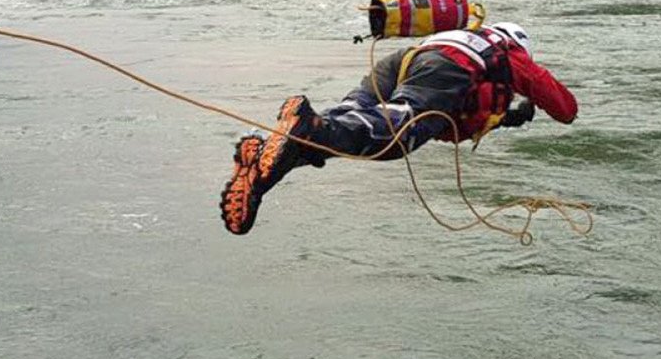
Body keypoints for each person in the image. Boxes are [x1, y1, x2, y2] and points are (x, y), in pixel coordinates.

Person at [219, 21, 578, 235]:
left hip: (404, 60)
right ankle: (309, 126)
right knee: (394, 138)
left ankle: (263, 173)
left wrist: (511, 116)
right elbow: (565, 109)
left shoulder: (460, 34)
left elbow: (471, 107)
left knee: (349, 115)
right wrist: (537, 97)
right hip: (442, 67)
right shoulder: (506, 52)